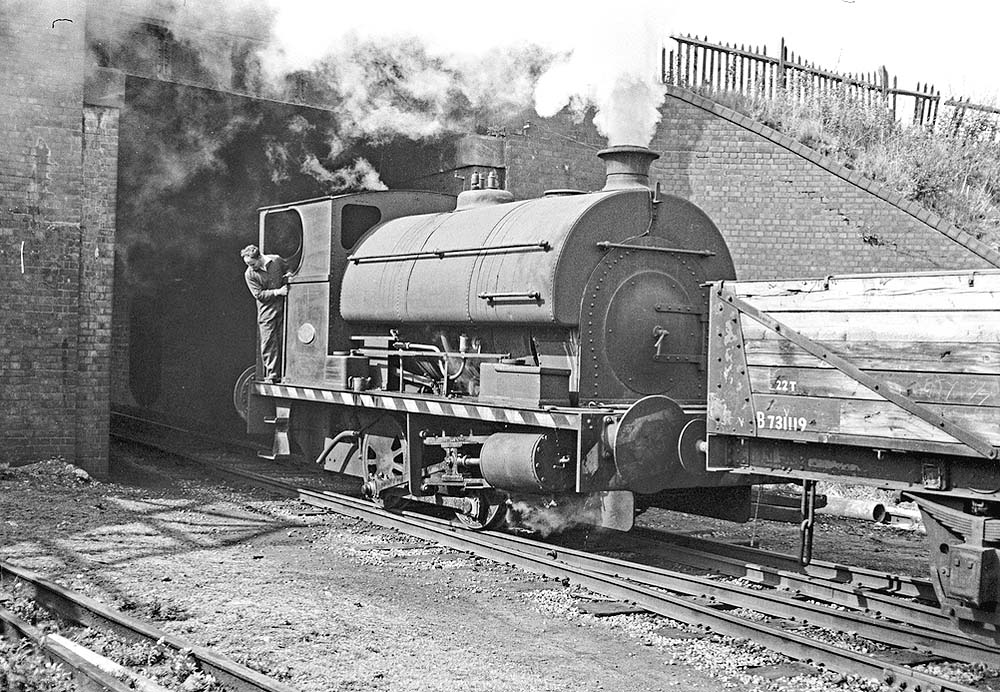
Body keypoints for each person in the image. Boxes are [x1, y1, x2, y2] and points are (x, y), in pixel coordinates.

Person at [241, 244, 288, 383]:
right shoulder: (249, 274)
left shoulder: (276, 261)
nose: (250, 267)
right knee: (268, 342)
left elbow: (289, 268)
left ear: (259, 257)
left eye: (252, 263)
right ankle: (273, 374)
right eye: (248, 264)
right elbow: (259, 294)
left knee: (285, 339)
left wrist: (289, 276)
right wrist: (277, 292)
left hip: (284, 307)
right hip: (267, 312)